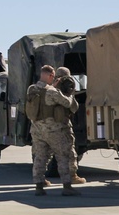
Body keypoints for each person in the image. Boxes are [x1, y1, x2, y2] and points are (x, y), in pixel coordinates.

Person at [28, 65, 80, 196]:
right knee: (63, 156)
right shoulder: (52, 91)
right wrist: (70, 92)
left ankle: (39, 187)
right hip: (54, 130)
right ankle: (67, 186)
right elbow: (68, 103)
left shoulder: (32, 89)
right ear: (51, 76)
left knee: (40, 157)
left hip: (36, 130)